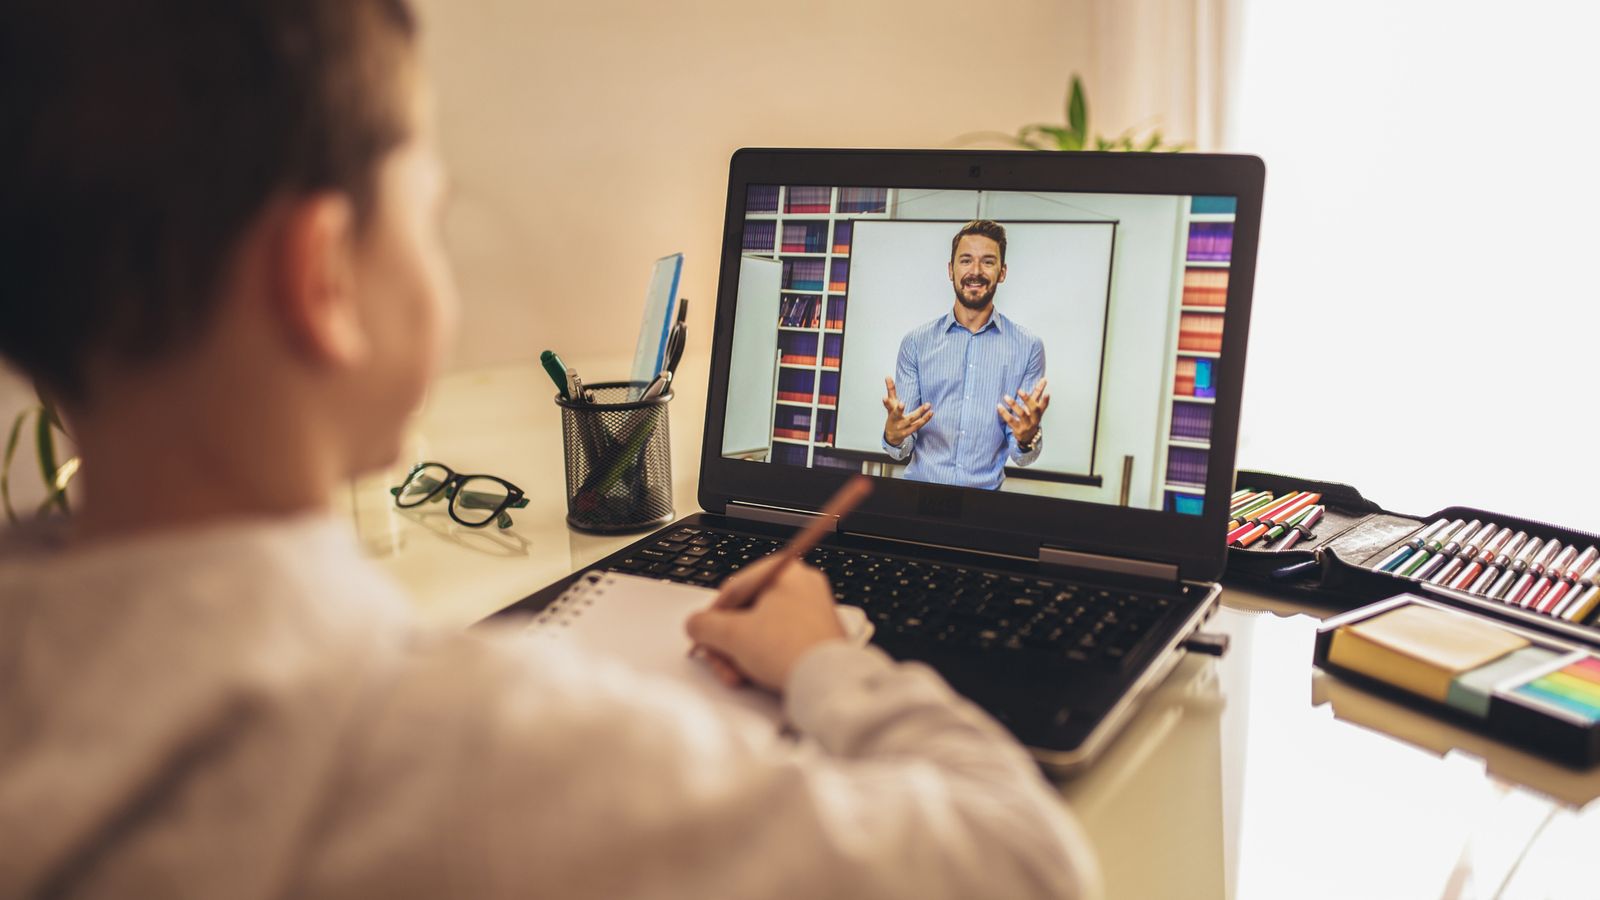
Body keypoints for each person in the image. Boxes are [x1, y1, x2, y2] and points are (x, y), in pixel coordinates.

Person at [0, 2, 1100, 897]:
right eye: (429, 218)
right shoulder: (465, 755)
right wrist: (825, 661)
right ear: (322, 279)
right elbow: (1026, 867)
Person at [881, 220, 1052, 490]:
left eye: (987, 262)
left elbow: (1023, 456)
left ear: (1002, 271)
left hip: (982, 506)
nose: (975, 271)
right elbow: (900, 448)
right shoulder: (916, 343)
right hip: (918, 497)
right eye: (965, 261)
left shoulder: (1028, 347)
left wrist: (1026, 438)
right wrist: (892, 435)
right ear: (951, 270)